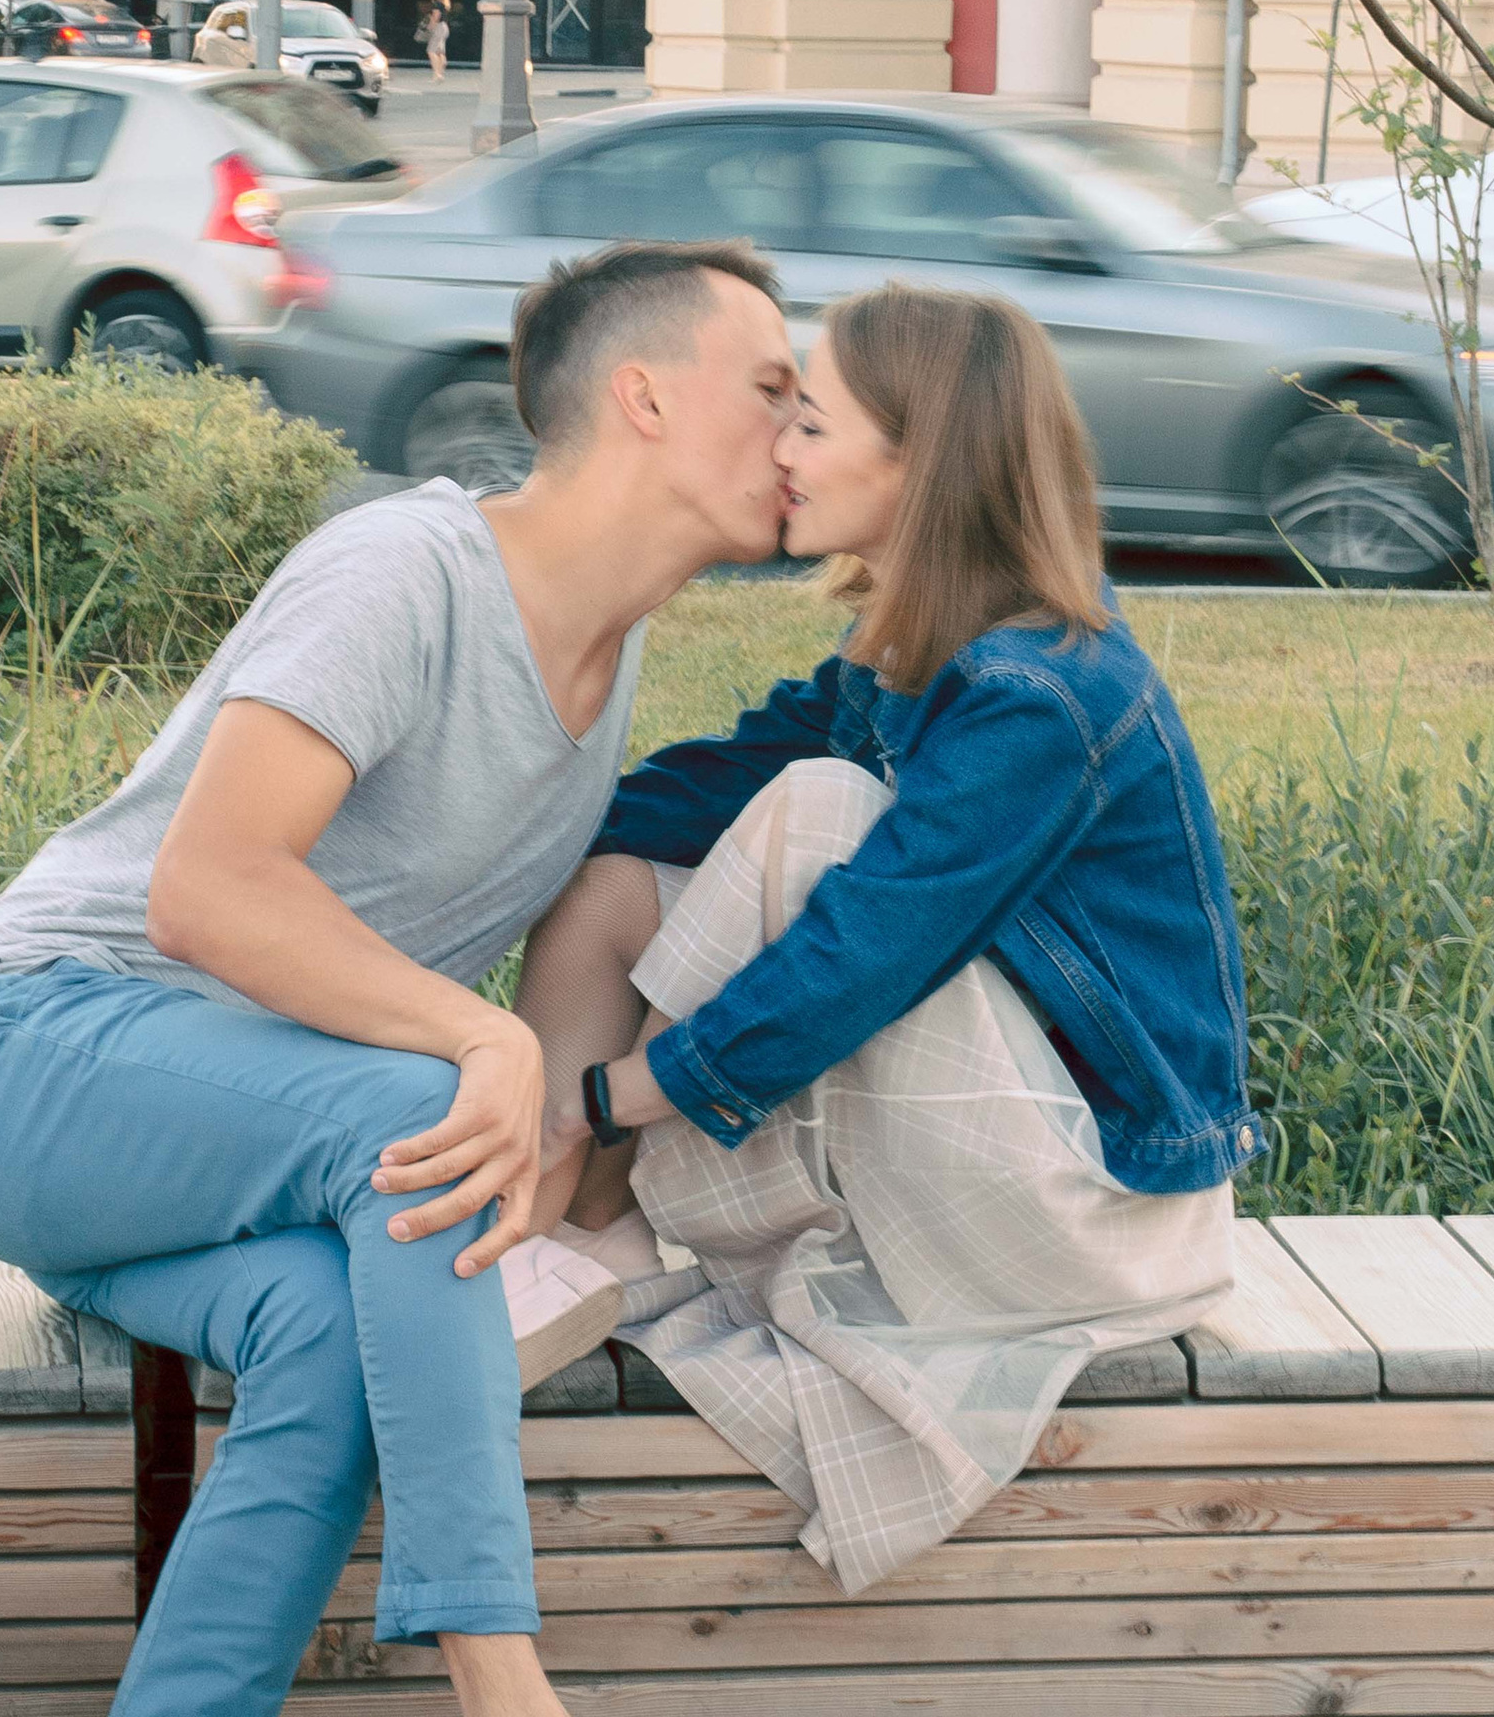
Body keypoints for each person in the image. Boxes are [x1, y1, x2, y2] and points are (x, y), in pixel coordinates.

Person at [0, 241, 801, 1717]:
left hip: (205, 1165)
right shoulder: (409, 570)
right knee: (420, 1116)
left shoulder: (608, 647)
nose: (799, 426)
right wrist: (481, 1044)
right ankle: (502, 1681)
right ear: (643, 397)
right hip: (31, 1054)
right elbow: (212, 886)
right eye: (770, 386)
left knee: (327, 1337)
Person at [472, 285, 1254, 1594]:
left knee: (824, 815)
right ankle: (572, 1235)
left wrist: (606, 1099)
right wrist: (490, 852)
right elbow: (691, 788)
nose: (781, 450)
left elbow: (861, 958)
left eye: (813, 424)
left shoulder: (1042, 692)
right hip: (993, 1144)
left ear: (920, 462)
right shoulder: (914, 652)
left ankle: (567, 1176)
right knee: (615, 877)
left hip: (1108, 1213)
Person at [421, 0, 452, 80]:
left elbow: (436, 17)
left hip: (438, 27)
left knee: (431, 51)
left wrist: (429, 28)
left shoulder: (437, 4)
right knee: (440, 52)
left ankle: (436, 74)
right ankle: (440, 73)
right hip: (445, 27)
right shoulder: (444, 3)